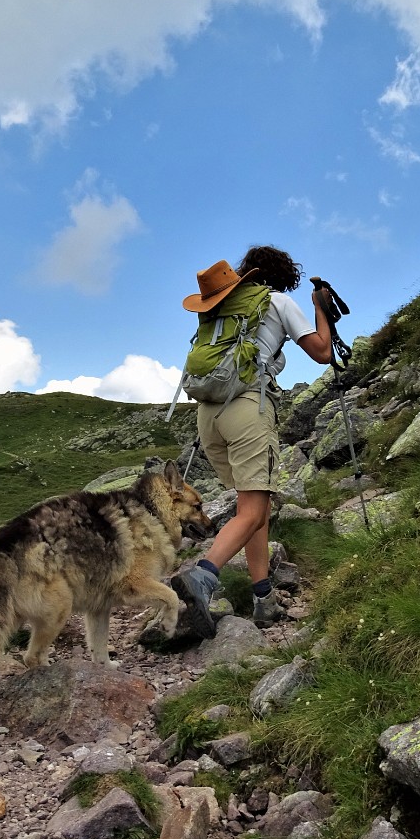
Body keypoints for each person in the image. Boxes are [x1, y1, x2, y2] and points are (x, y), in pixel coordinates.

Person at [171, 245, 334, 636]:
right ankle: (204, 577)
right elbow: (323, 353)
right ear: (283, 276)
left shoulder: (218, 310)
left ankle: (264, 599)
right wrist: (321, 311)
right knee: (251, 510)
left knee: (253, 507)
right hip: (246, 407)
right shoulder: (277, 301)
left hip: (208, 415)